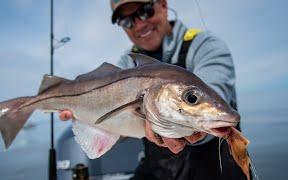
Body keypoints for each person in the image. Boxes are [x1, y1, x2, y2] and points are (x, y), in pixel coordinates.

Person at [60, 0, 248, 179]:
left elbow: (216, 89)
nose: (139, 24)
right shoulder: (127, 63)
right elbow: (117, 119)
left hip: (216, 171)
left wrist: (195, 126)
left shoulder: (205, 45)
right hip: (157, 171)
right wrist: (81, 110)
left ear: (163, 5)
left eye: (145, 11)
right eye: (127, 20)